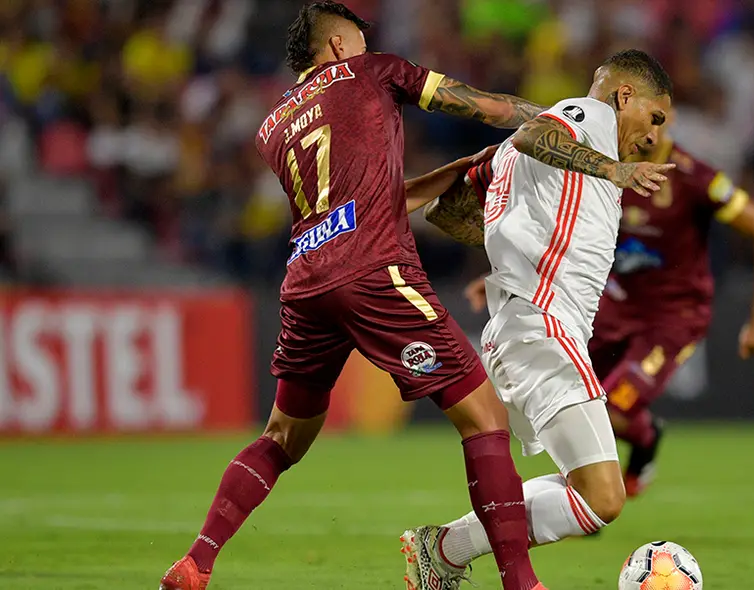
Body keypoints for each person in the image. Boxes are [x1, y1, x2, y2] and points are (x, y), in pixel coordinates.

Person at [157, 3, 558, 589]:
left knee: (281, 438)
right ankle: (523, 584)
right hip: (375, 275)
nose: (367, 50)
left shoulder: (273, 128)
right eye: (360, 42)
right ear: (341, 46)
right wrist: (562, 121)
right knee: (484, 418)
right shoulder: (375, 72)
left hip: (306, 284)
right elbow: (488, 106)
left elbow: (358, 203)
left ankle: (197, 562)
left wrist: (449, 175)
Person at [401, 49, 676, 590]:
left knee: (587, 488)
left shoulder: (547, 143)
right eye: (655, 117)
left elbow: (449, 215)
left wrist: (511, 219)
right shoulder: (586, 119)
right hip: (543, 328)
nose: (654, 135)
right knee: (603, 497)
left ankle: (443, 551)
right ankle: (445, 550)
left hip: (523, 328)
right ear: (624, 97)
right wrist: (614, 170)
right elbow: (533, 136)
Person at [465, 122, 754, 499]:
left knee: (614, 413)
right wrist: (507, 274)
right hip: (612, 305)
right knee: (573, 396)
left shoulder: (694, 177)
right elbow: (566, 232)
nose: (648, 131)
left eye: (658, 118)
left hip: (673, 318)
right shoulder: (605, 170)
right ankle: (595, 487)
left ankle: (640, 444)